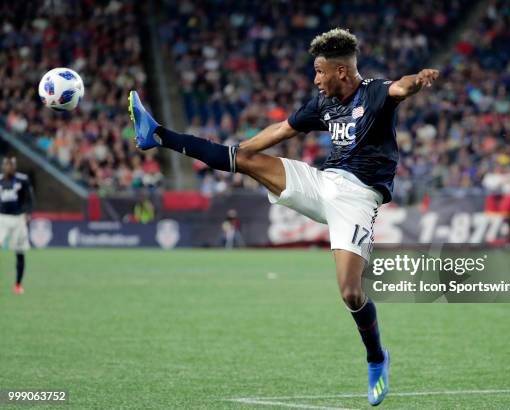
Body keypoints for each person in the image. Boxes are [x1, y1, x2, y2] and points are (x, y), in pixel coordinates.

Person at [129, 28, 439, 406]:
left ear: (341, 71)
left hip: (357, 199)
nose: (315, 79)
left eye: (320, 72)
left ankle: (377, 357)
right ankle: (156, 134)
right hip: (322, 182)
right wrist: (240, 152)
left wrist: (418, 82)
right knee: (242, 158)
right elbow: (281, 129)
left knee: (350, 292)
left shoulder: (374, 92)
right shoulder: (322, 104)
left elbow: (401, 88)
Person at [0, 157, 34, 295]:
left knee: (20, 251)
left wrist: (28, 212)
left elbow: (29, 198)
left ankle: (18, 284)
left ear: (14, 166)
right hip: (2, 218)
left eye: (10, 165)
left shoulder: (22, 180)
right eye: (6, 165)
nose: (8, 167)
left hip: (18, 218)